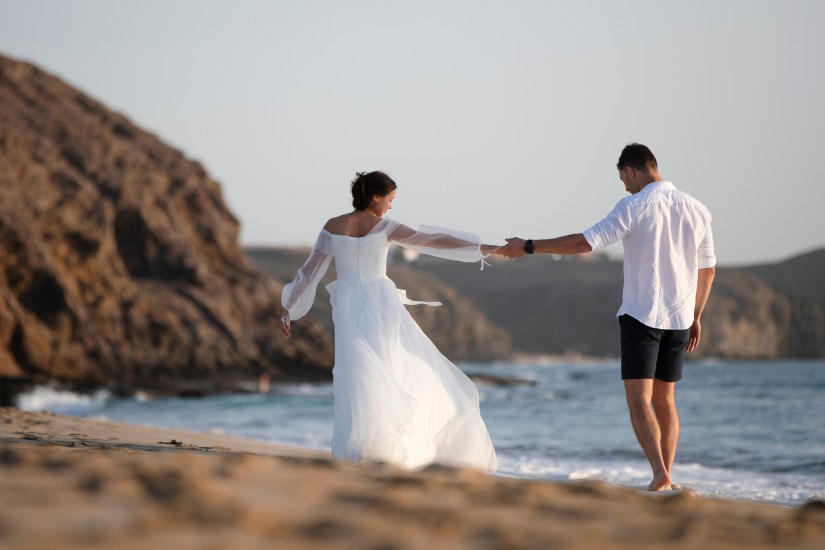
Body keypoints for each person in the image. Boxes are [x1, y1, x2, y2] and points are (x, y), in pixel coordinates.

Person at [500, 143, 716, 491]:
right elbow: (708, 269)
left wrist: (529, 246)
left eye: (624, 180)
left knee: (638, 400)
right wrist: (696, 315)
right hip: (679, 319)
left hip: (642, 315)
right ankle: (667, 474)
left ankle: (660, 474)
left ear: (631, 171)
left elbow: (585, 243)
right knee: (665, 401)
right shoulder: (698, 209)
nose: (626, 188)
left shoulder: (634, 206)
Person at [280, 171, 499, 472]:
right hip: (379, 302)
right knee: (376, 369)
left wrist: (289, 308)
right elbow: (433, 240)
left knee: (357, 373)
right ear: (375, 197)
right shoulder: (385, 227)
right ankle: (371, 447)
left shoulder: (333, 226)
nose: (391, 205)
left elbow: (309, 272)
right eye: (390, 199)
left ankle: (370, 448)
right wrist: (481, 247)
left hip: (348, 303)